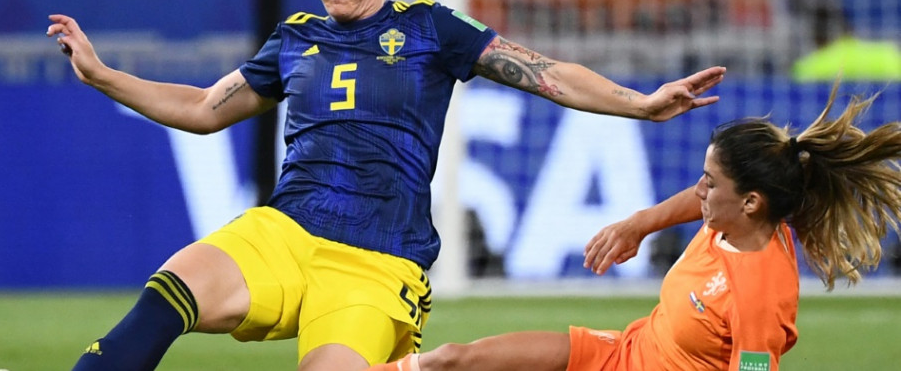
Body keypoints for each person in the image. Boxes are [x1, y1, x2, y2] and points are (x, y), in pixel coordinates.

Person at [46, 0, 726, 371]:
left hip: (376, 259)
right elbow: (203, 107)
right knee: (171, 288)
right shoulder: (295, 39)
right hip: (286, 230)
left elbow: (545, 73)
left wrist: (640, 104)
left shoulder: (431, 28)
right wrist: (104, 76)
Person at [367, 82, 901, 371]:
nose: (699, 190)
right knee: (452, 360)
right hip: (617, 352)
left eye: (710, 182)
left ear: (751, 202)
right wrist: (639, 224)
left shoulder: (760, 291)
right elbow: (696, 201)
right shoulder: (732, 218)